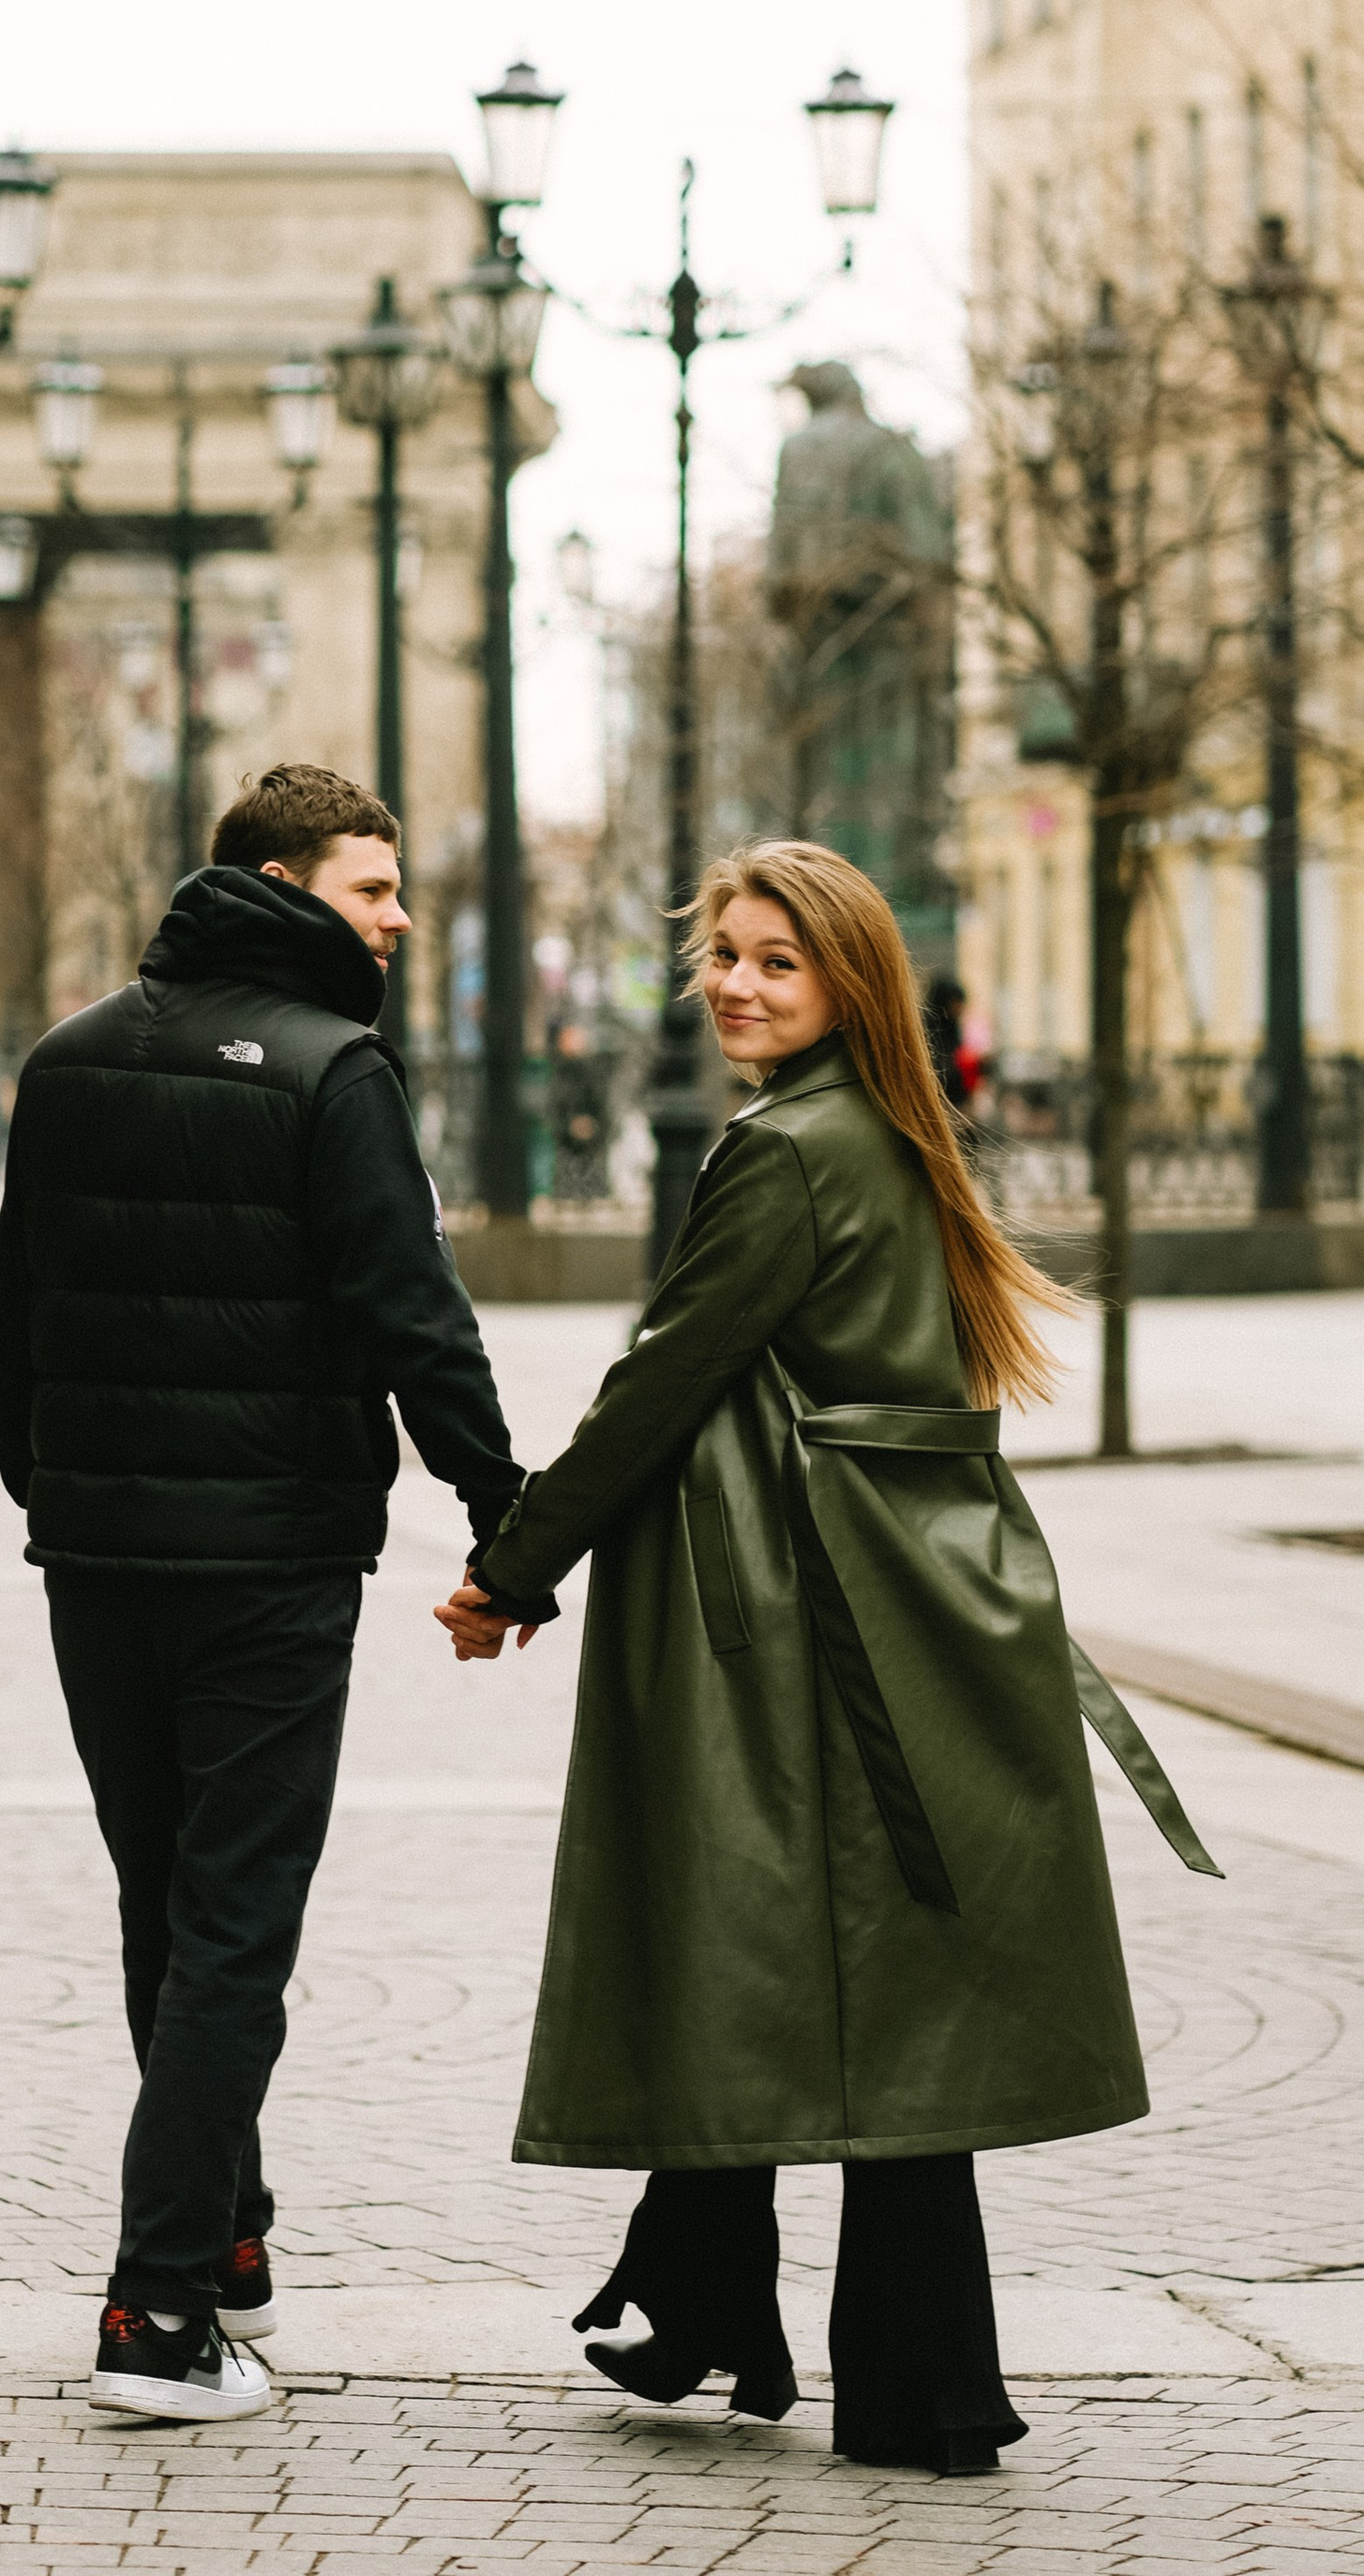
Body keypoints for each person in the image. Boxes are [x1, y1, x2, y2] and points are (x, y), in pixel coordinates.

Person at [439, 838, 1220, 2478]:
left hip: (819, 1622)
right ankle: (723, 2296)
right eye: (722, 951)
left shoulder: (788, 1151)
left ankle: (906, 2377)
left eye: (775, 960)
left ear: (848, 983)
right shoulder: (870, 1132)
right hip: (890, 1598)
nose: (732, 980)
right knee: (818, 1946)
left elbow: (660, 1379)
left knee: (820, 1949)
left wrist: (510, 1566)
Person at [0, 762, 544, 2427]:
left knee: (167, 1899)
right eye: (375, 888)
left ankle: (222, 2236)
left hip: (97, 1560)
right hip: (274, 1565)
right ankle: (156, 2312)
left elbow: (9, 1321)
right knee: (235, 1921)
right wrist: (503, 1511)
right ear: (290, 886)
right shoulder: (334, 1070)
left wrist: (59, 1487)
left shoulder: (68, 1055)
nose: (400, 916)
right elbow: (411, 1314)